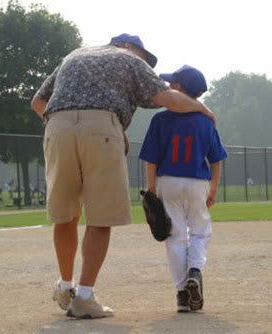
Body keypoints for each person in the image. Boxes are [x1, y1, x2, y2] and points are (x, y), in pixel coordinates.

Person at [31, 34, 215, 319]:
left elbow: (38, 102)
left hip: (56, 126)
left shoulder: (75, 55)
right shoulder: (129, 58)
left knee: (66, 214)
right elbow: (169, 99)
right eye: (145, 56)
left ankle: (66, 286)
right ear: (130, 47)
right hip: (102, 126)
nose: (146, 63)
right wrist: (202, 108)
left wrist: (64, 125)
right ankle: (84, 297)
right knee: (100, 216)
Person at [139, 65, 227, 313]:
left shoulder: (160, 119)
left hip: (168, 181)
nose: (167, 88)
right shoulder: (205, 120)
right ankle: (195, 272)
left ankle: (181, 295)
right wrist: (213, 188)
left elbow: (151, 160)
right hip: (198, 181)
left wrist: (152, 189)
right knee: (200, 231)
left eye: (171, 85)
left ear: (178, 89)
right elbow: (217, 159)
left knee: (174, 235)